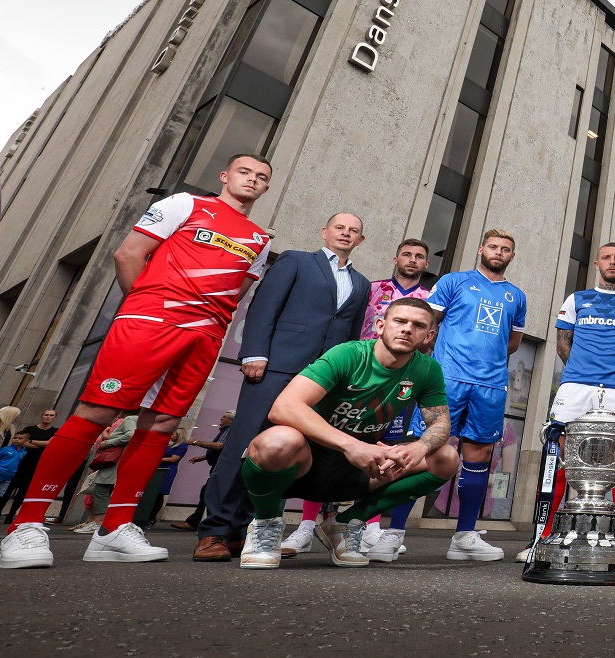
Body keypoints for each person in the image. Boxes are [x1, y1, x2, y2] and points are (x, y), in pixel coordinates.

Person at [0, 154, 273, 570]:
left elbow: (236, 294)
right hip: (151, 321)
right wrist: (143, 307)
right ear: (225, 176)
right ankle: (26, 524)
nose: (252, 179)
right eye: (245, 171)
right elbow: (128, 254)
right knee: (97, 410)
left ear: (267, 188)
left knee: (161, 423)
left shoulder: (259, 238)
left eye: (262, 177)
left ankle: (115, 529)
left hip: (205, 336)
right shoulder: (184, 204)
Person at [196, 211, 370, 562]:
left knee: (281, 453)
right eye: (340, 227)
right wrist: (255, 353)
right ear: (324, 232)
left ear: (360, 241)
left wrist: (344, 379)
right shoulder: (296, 261)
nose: (346, 234)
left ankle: (247, 529)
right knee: (242, 445)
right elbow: (264, 307)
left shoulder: (362, 284)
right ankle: (215, 530)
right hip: (277, 368)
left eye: (354, 231)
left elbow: (351, 335)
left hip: (320, 380)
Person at [236, 298, 457, 569]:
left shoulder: (427, 369)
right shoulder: (348, 354)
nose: (407, 329)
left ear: (429, 335)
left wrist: (420, 447)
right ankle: (266, 525)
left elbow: (441, 423)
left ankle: (345, 524)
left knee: (445, 457)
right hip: (306, 462)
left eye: (418, 325)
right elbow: (283, 407)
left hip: (359, 469)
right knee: (277, 440)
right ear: (380, 325)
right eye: (400, 321)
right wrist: (350, 445)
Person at [282, 237, 434, 557]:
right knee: (324, 446)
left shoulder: (431, 299)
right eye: (406, 254)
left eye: (419, 256)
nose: (412, 260)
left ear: (426, 264)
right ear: (395, 258)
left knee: (385, 449)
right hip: (353, 378)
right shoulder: (373, 288)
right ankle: (306, 525)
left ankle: (369, 526)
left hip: (397, 385)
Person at [521, 243, 615, 557]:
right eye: (607, 257)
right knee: (562, 456)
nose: (612, 262)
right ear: (597, 263)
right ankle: (542, 536)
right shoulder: (577, 299)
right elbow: (562, 342)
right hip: (575, 385)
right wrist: (583, 370)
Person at [415, 230, 525, 562]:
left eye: (505, 249)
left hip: (490, 385)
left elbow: (513, 343)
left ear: (511, 256)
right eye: (493, 247)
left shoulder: (516, 296)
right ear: (481, 249)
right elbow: (428, 323)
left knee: (478, 456)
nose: (498, 252)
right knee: (427, 447)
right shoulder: (454, 281)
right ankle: (393, 533)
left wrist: (485, 364)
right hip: (448, 379)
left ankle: (464, 536)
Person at [169, 410, 235, 531]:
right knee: (208, 492)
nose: (221, 419)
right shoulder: (227, 430)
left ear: (230, 420)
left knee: (207, 493)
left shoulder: (229, 430)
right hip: (220, 466)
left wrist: (195, 442)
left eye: (224, 417)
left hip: (221, 468)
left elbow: (219, 446)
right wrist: (205, 457)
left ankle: (195, 522)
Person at [75, 413, 138, 535]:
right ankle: (105, 522)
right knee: (108, 490)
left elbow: (130, 435)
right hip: (122, 461)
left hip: (115, 461)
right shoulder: (140, 421)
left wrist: (107, 443)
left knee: (101, 489)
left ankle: (99, 523)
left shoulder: (131, 419)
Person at [0, 410, 57, 525]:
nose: (48, 417)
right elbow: (21, 441)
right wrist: (41, 443)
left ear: (54, 418)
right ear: (41, 416)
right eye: (46, 414)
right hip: (20, 463)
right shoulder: (30, 429)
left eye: (51, 415)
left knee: (22, 493)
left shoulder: (55, 431)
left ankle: (10, 516)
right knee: (6, 491)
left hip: (36, 465)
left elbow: (51, 444)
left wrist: (31, 441)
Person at [143, 430, 188, 526]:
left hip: (167, 470)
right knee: (152, 492)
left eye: (173, 434)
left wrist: (157, 458)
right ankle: (146, 516)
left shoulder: (182, 446)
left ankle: (151, 517)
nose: (171, 435)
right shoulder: (170, 445)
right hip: (159, 468)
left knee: (159, 493)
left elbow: (173, 459)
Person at [0, 433, 30, 512]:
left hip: (8, 478)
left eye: (20, 438)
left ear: (26, 440)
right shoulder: (5, 449)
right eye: (15, 438)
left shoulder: (24, 452)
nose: (16, 440)